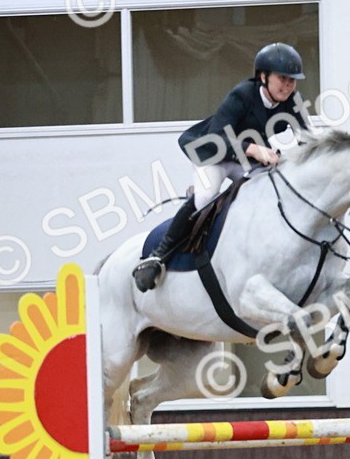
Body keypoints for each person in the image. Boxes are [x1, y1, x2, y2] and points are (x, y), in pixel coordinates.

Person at [133, 42, 312, 292]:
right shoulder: (242, 94)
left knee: (273, 190)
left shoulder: (293, 101)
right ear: (263, 76)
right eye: (283, 78)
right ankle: (158, 256)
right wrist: (254, 148)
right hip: (215, 154)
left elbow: (308, 139)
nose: (289, 85)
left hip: (247, 161)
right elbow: (217, 138)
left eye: (293, 80)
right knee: (205, 196)